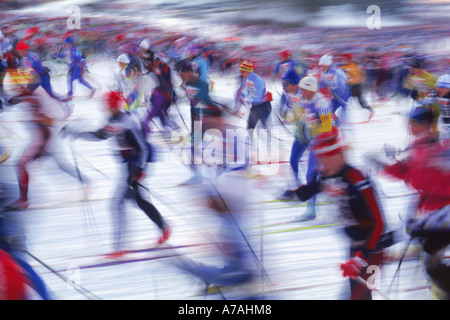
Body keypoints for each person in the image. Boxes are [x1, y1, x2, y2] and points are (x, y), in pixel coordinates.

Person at [63, 91, 171, 258]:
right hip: (128, 166)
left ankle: (119, 248)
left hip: (135, 167)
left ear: (114, 105)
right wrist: (75, 133)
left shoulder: (127, 122)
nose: (106, 108)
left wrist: (139, 173)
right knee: (139, 201)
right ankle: (164, 228)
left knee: (117, 205)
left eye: (108, 105)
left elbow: (143, 148)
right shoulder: (112, 121)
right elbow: (100, 135)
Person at [292, 127, 390, 299]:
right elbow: (306, 193)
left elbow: (379, 222)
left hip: (373, 248)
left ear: (340, 156)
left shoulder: (356, 178)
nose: (323, 164)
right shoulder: (326, 175)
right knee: (355, 295)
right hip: (354, 247)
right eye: (320, 159)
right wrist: (279, 190)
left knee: (359, 296)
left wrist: (362, 257)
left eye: (327, 159)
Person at [366, 106, 450, 299]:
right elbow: (404, 171)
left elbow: (420, 177)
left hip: (442, 212)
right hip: (428, 211)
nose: (409, 127)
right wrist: (382, 165)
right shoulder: (418, 146)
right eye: (409, 123)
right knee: (430, 262)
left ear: (428, 125)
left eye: (414, 124)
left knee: (431, 262)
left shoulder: (439, 148)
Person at [6, 87, 88, 210]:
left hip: (45, 140)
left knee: (21, 164)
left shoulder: (33, 98)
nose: (17, 89)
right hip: (46, 139)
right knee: (61, 166)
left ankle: (23, 200)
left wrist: (44, 145)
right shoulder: (31, 95)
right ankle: (85, 182)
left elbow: (47, 121)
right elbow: (11, 101)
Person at [278, 73, 333, 221]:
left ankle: (311, 209)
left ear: (311, 90)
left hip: (318, 141)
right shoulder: (303, 99)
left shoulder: (321, 103)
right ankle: (295, 189)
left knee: (311, 174)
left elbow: (327, 127)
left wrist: (314, 127)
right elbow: (296, 117)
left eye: (303, 89)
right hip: (303, 136)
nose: (300, 92)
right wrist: (286, 116)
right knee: (293, 159)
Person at [178, 61, 222, 185]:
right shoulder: (186, 83)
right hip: (196, 117)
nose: (182, 76)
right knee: (193, 147)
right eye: (181, 74)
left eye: (183, 73)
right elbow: (190, 99)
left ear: (190, 72)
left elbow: (201, 98)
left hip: (209, 115)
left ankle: (219, 168)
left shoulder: (202, 84)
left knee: (209, 145)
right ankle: (198, 175)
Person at [235, 61, 272, 140]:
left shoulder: (258, 80)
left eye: (242, 71)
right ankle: (250, 144)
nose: (241, 73)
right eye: (240, 71)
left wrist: (247, 99)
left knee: (264, 128)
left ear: (248, 71)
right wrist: (237, 107)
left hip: (264, 106)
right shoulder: (245, 79)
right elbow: (242, 92)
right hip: (255, 106)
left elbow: (259, 96)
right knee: (250, 127)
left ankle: (271, 144)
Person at [54, 36, 96, 101]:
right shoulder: (67, 50)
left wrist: (84, 66)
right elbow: (63, 55)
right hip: (74, 68)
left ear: (70, 44)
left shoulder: (75, 51)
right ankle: (92, 89)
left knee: (70, 80)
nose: (64, 45)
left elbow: (81, 58)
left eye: (66, 43)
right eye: (64, 43)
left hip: (77, 68)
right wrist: (56, 55)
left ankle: (70, 95)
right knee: (81, 80)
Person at [318, 54, 351, 126]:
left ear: (328, 65)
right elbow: (322, 84)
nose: (321, 67)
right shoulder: (323, 74)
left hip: (344, 97)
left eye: (323, 65)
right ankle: (337, 123)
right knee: (328, 111)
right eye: (320, 66)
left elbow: (345, 82)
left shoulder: (337, 72)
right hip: (335, 98)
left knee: (345, 118)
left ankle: (343, 129)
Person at [340, 54, 374, 120]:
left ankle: (370, 110)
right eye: (343, 59)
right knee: (343, 100)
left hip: (356, 85)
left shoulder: (354, 66)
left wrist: (348, 72)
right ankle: (340, 117)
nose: (344, 61)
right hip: (349, 87)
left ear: (349, 60)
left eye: (345, 59)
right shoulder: (343, 67)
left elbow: (356, 75)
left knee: (360, 100)